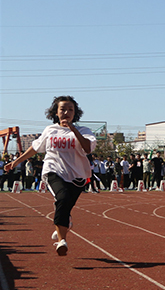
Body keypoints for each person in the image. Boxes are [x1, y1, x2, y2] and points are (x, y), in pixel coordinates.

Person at [4, 96, 96, 256]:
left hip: (77, 175)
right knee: (63, 199)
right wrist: (16, 162)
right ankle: (62, 240)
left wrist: (73, 129)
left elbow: (87, 148)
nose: (66, 112)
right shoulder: (50, 130)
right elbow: (35, 148)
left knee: (65, 204)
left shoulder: (84, 131)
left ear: (75, 113)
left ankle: (65, 220)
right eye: (62, 109)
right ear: (56, 112)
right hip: (54, 171)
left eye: (70, 110)